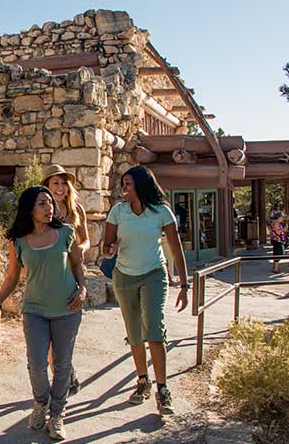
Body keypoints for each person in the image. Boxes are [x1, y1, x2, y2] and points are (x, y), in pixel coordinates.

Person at [0, 185, 87, 440]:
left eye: (50, 203)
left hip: (68, 309)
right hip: (34, 311)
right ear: (30, 209)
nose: (49, 208)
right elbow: (12, 277)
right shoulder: (19, 241)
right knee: (36, 364)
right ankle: (40, 403)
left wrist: (83, 290)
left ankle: (57, 415)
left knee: (62, 364)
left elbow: (78, 264)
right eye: (42, 203)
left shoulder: (66, 232)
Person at [102, 166, 189, 415]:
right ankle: (143, 381)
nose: (124, 188)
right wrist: (110, 250)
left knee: (153, 329)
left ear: (141, 184)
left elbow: (176, 249)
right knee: (135, 333)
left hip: (154, 274)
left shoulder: (161, 212)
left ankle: (162, 389)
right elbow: (106, 248)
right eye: (123, 184)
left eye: (128, 183)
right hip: (124, 277)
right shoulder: (118, 211)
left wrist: (184, 284)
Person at [41, 164, 88, 396]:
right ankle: (64, 375)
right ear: (47, 186)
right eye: (55, 183)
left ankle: (63, 375)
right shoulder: (42, 211)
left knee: (64, 334)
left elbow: (86, 240)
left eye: (62, 183)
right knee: (49, 338)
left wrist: (80, 247)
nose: (59, 188)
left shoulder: (76, 210)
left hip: (72, 273)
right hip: (50, 275)